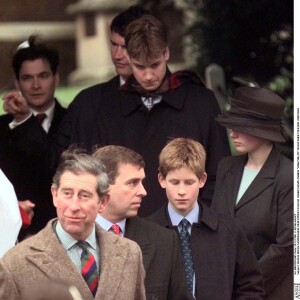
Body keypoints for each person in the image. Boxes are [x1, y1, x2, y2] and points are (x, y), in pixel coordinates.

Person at [0, 148, 146, 300]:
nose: (74, 206)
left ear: (102, 202)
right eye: (67, 194)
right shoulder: (15, 262)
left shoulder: (130, 253)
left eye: (84, 195)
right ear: (55, 195)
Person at [148, 138, 265, 299]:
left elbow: (250, 286)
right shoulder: (147, 232)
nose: (181, 191)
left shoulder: (228, 229)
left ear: (202, 180)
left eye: (189, 182)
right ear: (162, 180)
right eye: (174, 182)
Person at [212, 86, 293, 300]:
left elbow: (287, 246)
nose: (232, 133)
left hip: (269, 291)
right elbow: (215, 227)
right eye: (232, 125)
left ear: (263, 131)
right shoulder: (226, 167)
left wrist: (246, 284)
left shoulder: (288, 176)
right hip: (223, 288)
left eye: (240, 126)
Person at [93, 145, 192, 300]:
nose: (143, 191)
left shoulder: (164, 242)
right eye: (133, 182)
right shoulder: (68, 238)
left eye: (141, 182)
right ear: (103, 185)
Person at [0, 35, 66, 236]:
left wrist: (25, 120)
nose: (36, 85)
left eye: (43, 76)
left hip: (64, 234)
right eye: (27, 78)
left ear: (56, 78)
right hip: (12, 240)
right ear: (18, 83)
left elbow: (58, 169)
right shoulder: (1, 128)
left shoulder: (74, 120)